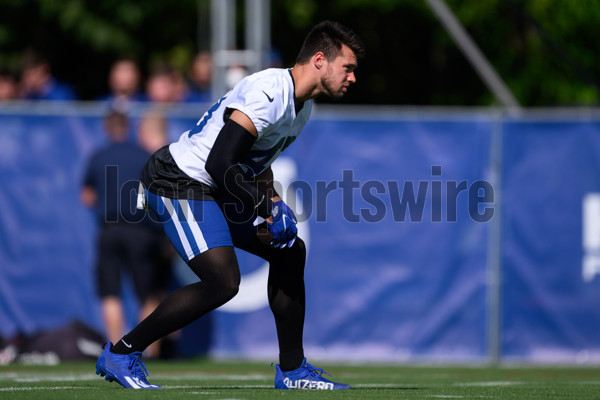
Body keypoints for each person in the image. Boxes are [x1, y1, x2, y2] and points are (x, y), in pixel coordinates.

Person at [95, 20, 365, 390]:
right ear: (320, 60)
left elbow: (256, 163)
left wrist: (270, 200)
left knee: (289, 250)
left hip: (213, 187)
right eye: (347, 67)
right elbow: (219, 162)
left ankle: (292, 370)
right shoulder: (270, 91)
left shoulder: (301, 108)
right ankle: (122, 353)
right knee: (223, 280)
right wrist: (265, 207)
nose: (352, 77)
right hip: (178, 181)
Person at [82, 109, 166, 358]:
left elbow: (87, 196)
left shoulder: (98, 157)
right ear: (128, 127)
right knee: (147, 293)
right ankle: (149, 350)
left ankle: (115, 351)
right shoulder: (143, 156)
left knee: (110, 293)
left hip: (109, 230)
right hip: (141, 231)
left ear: (106, 127)